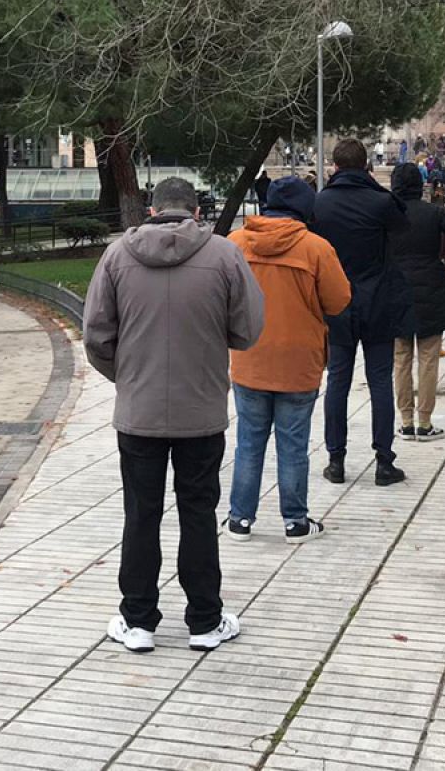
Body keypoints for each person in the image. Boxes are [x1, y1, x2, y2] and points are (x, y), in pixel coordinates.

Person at [84, 177, 263, 654]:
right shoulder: (224, 256)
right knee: (198, 514)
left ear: (151, 210)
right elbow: (247, 331)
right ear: (196, 212)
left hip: (138, 413)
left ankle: (137, 620)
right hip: (201, 412)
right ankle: (204, 620)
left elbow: (96, 336)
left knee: (140, 514)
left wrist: (129, 378)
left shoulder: (117, 257)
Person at [225, 176, 351, 544]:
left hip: (249, 356)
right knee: (293, 445)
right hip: (300, 361)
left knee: (249, 441)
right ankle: (295, 521)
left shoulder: (235, 244)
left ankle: (239, 519)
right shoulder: (316, 248)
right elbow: (339, 301)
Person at [313, 140, 411, 486]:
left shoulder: (320, 203)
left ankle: (336, 460)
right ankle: (384, 462)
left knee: (337, 381)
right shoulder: (381, 202)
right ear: (366, 165)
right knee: (380, 381)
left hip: (337, 305)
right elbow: (403, 233)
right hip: (378, 302)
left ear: (335, 166)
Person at [387, 162, 445, 441]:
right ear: (420, 185)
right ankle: (424, 422)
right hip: (431, 287)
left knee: (400, 357)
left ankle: (405, 419)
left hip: (396, 288)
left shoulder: (386, 216)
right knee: (428, 358)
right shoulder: (434, 213)